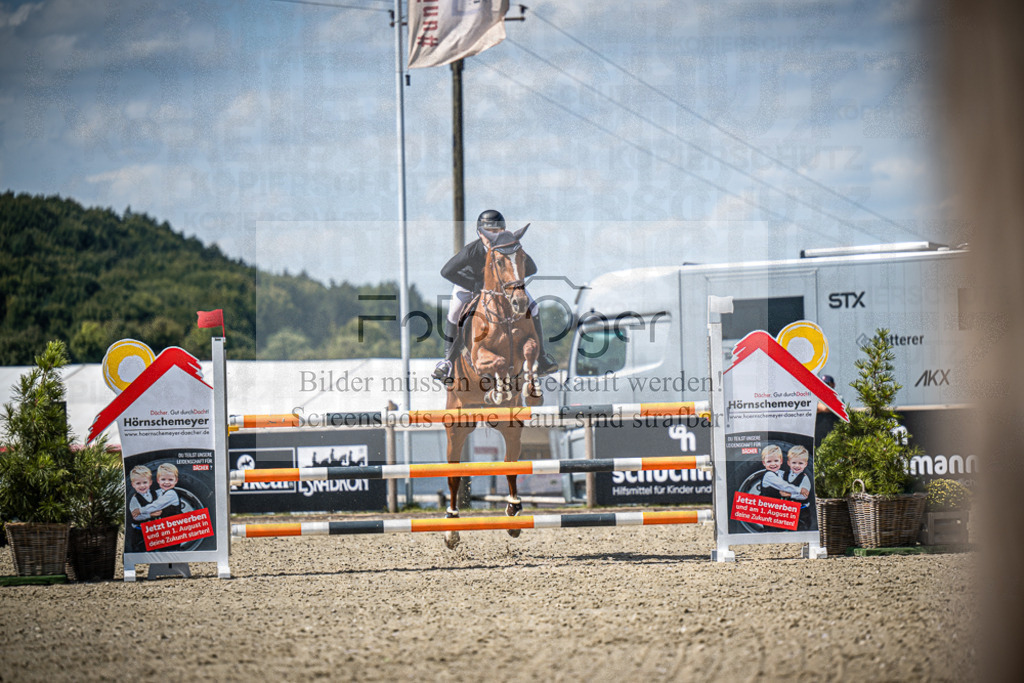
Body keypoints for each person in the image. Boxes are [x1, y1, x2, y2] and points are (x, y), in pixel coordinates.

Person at [432, 209, 558, 383]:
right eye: (489, 232)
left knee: (534, 306)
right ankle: (447, 362)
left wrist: (513, 281)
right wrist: (476, 286)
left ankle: (542, 357)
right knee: (455, 313)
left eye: (498, 231)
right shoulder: (472, 250)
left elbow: (532, 268)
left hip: (504, 288)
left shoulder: (508, 247)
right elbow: (446, 271)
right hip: (468, 284)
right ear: (480, 233)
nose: (493, 235)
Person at [126, 465, 156, 553]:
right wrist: (150, 515)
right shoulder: (135, 499)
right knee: (140, 549)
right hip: (139, 531)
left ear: (150, 482)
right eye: (138, 483)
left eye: (145, 482)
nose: (142, 486)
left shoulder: (154, 494)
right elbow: (135, 516)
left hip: (153, 530)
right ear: (133, 485)